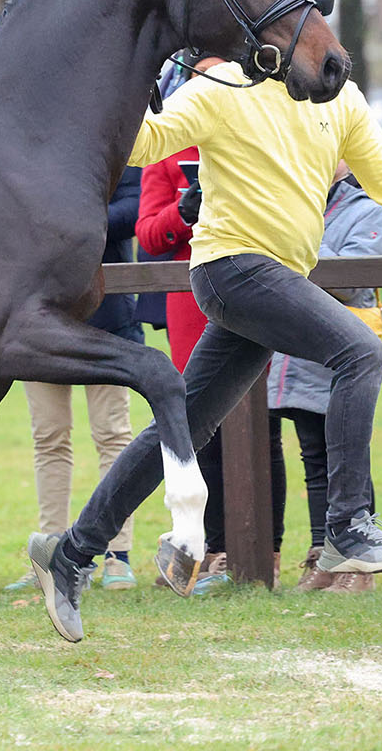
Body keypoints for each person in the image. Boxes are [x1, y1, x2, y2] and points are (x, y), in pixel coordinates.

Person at [29, 0, 382, 640]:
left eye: (310, 20)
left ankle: (70, 552)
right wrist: (135, 91)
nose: (303, 34)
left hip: (276, 276)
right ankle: (347, 526)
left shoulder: (341, 102)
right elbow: (143, 144)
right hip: (231, 268)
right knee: (360, 352)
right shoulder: (221, 93)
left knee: (178, 429)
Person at [135, 59, 284, 593]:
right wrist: (184, 212)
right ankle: (208, 546)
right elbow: (149, 235)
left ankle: (265, 548)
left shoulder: (257, 126)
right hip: (190, 304)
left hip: (256, 289)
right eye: (200, 74)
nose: (212, 83)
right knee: (197, 426)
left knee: (261, 425)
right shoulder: (170, 147)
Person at [7, 164, 145, 593]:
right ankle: (50, 552)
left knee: (113, 435)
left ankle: (117, 555)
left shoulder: (116, 148)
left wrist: (71, 218)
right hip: (40, 318)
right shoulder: (33, 151)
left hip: (108, 320)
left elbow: (135, 208)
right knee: (49, 436)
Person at [269, 161, 382, 593]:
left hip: (344, 358)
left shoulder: (368, 212)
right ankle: (324, 555)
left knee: (348, 457)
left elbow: (353, 275)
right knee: (316, 460)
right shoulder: (291, 205)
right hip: (300, 356)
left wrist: (288, 260)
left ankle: (358, 565)